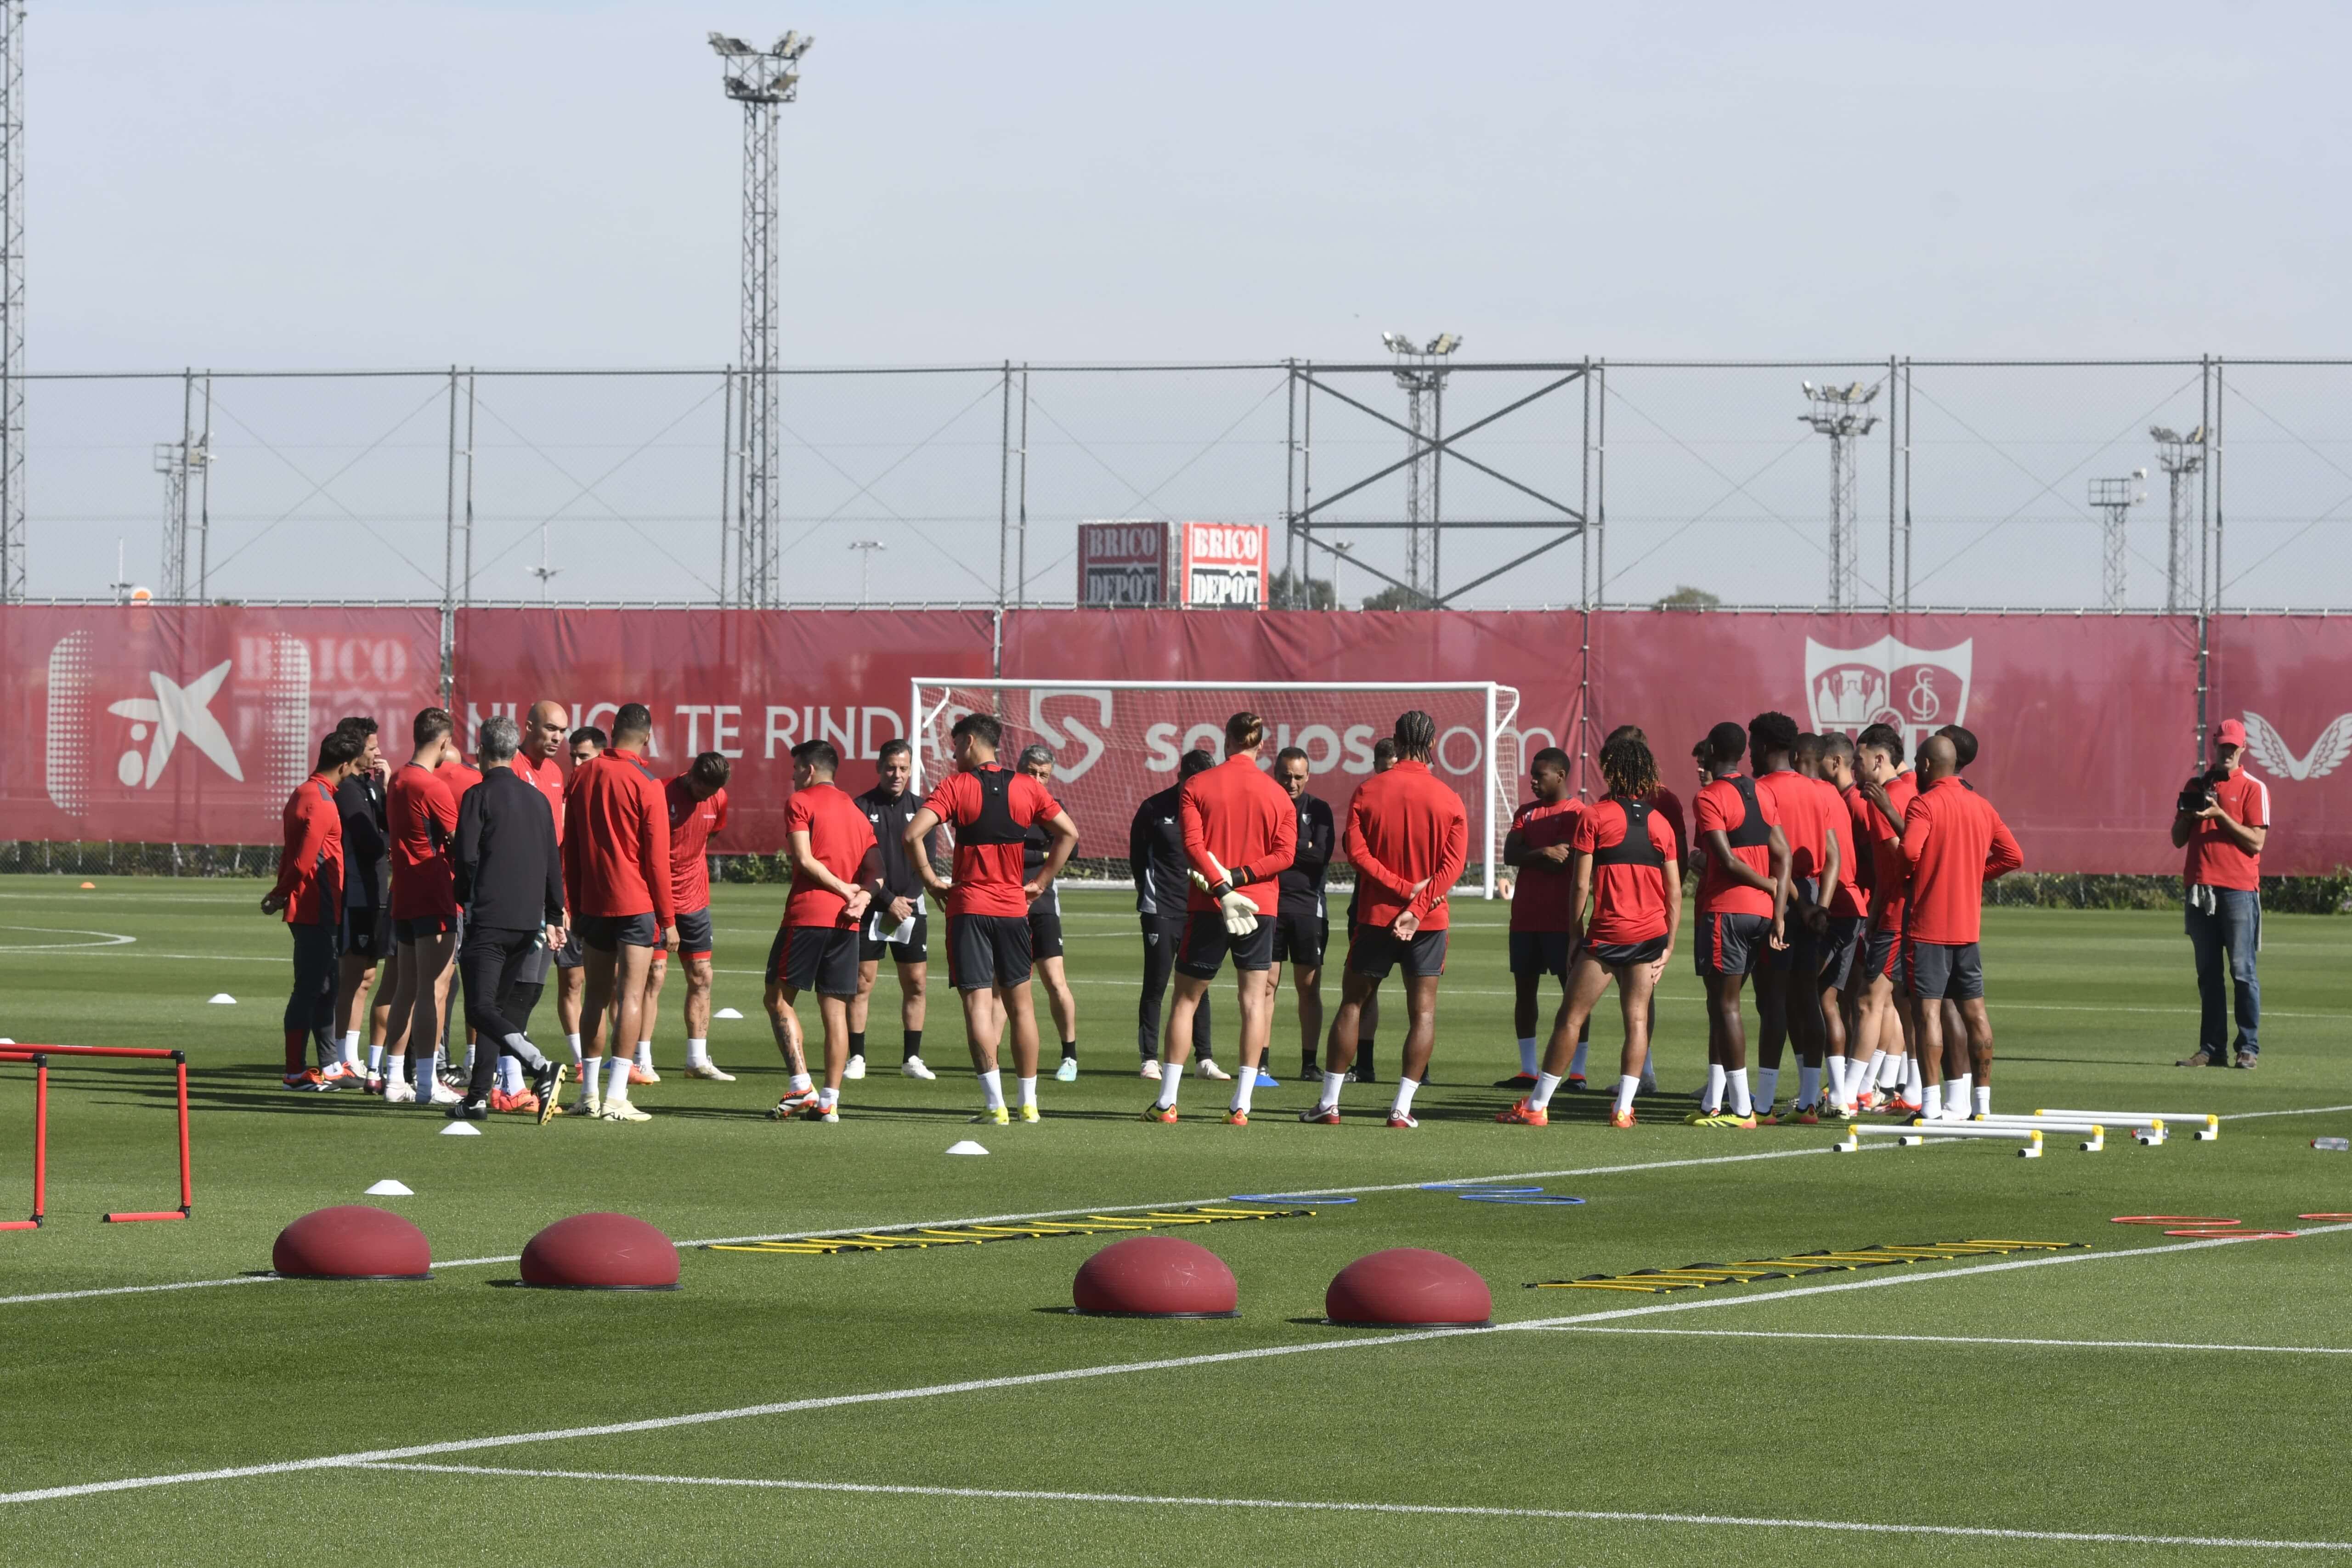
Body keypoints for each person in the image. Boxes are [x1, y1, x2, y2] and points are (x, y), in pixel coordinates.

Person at [905, 713, 1079, 1126]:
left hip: (969, 909)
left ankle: (994, 1105)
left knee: (978, 1007)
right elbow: (1068, 833)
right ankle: (1029, 1104)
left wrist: (931, 880)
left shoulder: (955, 785)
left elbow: (913, 834)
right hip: (1014, 909)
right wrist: (1040, 881)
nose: (951, 754)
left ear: (968, 742)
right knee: (1022, 1007)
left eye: (954, 746)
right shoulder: (1026, 786)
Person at [1499, 734, 1679, 1129]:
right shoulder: (1660, 823)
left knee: (1570, 1017)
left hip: (1608, 934)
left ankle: (1537, 1105)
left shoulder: (1594, 816)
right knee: (1636, 1021)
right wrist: (1669, 945)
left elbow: (1581, 885)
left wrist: (1575, 933)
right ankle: (1623, 1110)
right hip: (1649, 936)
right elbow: (1675, 892)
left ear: (1611, 771)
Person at [1305, 711, 1467, 1129]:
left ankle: (1330, 1103)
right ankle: (1400, 1109)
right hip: (1429, 921)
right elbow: (1453, 867)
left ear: (1395, 741)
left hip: (1376, 915)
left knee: (1352, 1004)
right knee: (1424, 1013)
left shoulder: (1368, 790)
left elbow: (1358, 856)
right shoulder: (1449, 798)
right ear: (1433, 744)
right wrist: (1418, 905)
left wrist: (1401, 892)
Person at [1146, 712, 1296, 1125]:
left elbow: (1193, 844)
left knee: (1185, 1000)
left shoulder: (1198, 784)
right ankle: (1241, 1105)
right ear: (1262, 745)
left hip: (1210, 905)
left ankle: (1166, 1102)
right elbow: (1285, 856)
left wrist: (1223, 885)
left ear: (1225, 739)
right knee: (1253, 1002)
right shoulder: (1278, 794)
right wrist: (1241, 879)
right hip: (1260, 907)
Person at [448, 714, 566, 1122]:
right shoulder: (538, 799)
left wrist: (464, 896)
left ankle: (539, 1065)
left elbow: (464, 856)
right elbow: (554, 861)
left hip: (490, 917)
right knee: (493, 1009)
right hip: (527, 922)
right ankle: (478, 1096)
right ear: (516, 752)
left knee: (480, 1010)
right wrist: (553, 913)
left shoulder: (477, 796)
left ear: (480, 752)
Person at [1901, 734, 2024, 1119]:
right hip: (1967, 930)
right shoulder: (1982, 805)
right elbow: (2014, 856)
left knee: (1928, 1016)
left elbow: (1908, 852)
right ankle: (1982, 1105)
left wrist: (1916, 873)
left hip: (1929, 929)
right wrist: (1976, 874)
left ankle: (1932, 1105)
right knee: (1977, 1015)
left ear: (1924, 765)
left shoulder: (1923, 804)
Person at [561, 703, 673, 1123]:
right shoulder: (648, 781)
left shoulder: (582, 775)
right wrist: (669, 919)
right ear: (647, 737)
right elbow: (657, 861)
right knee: (630, 996)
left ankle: (588, 1094)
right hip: (636, 903)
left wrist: (572, 901)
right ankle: (616, 1097)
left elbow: (569, 846)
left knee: (594, 994)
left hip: (592, 902)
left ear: (612, 731)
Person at [767, 740, 878, 1123]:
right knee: (836, 1012)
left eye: (797, 768)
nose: (793, 775)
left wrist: (845, 889)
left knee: (777, 999)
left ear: (810, 770)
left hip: (808, 915)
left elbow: (803, 858)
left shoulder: (800, 802)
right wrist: (862, 896)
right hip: (847, 923)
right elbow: (876, 870)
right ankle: (829, 1101)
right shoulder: (858, 812)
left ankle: (800, 1085)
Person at [1687, 719, 1791, 1129]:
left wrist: (1765, 884)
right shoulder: (1763, 790)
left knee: (1726, 1005)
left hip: (1727, 910)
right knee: (1722, 1005)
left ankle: (1742, 1109)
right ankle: (1714, 1101)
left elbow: (1727, 861)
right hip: (1762, 914)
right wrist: (1778, 908)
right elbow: (1783, 854)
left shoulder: (1709, 796)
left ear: (1712, 749)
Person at [263, 727, 366, 1091]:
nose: (357, 772)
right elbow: (307, 860)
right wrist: (278, 894)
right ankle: (294, 1072)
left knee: (327, 986)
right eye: (355, 766)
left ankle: (329, 1065)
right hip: (314, 907)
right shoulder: (321, 801)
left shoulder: (305, 792)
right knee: (310, 987)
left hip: (317, 907)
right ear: (344, 764)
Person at [1747, 712, 1837, 1122]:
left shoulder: (1760, 790)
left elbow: (1778, 860)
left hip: (1781, 896)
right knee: (1806, 998)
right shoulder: (1819, 790)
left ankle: (1764, 1103)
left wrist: (1798, 904)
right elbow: (1831, 854)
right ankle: (1807, 1103)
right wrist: (1820, 905)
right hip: (1814, 893)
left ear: (1765, 747)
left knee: (1774, 1001)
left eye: (1753, 744)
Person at [2172, 717, 2270, 1070]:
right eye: (2222, 745)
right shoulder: (2196, 784)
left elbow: (2256, 841)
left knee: (2243, 971)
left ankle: (2248, 1046)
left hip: (2239, 891)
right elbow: (2177, 838)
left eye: (2233, 746)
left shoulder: (2253, 788)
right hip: (2200, 889)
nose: (2227, 751)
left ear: (2243, 748)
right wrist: (2190, 814)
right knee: (2208, 973)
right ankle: (2212, 1049)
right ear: (2214, 745)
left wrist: (2220, 815)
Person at [380, 708, 465, 1106]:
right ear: (445, 743)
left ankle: (395, 1079)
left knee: (406, 989)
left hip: (405, 895)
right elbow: (459, 843)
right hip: (433, 894)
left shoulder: (397, 778)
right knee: (433, 992)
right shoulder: (432, 786)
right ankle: (429, 1085)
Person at [488, 700, 569, 1107]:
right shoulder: (510, 768)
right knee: (506, 990)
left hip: (542, 900)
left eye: (563, 731)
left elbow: (555, 847)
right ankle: (504, 1080)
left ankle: (509, 1080)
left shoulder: (555, 774)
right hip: (513, 901)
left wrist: (558, 904)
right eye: (551, 728)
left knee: (530, 992)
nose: (557, 737)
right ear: (529, 726)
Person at [635, 751, 732, 1085]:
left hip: (695, 902)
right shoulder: (660, 793)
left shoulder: (719, 798)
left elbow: (710, 835)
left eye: (711, 793)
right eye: (702, 789)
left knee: (702, 976)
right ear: (690, 774)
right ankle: (642, 1059)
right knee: (654, 977)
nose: (706, 797)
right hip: (656, 899)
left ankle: (696, 1059)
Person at [1126, 747, 1221, 1082]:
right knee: (1157, 981)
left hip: (1201, 907)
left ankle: (1204, 1059)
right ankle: (1149, 1058)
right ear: (1180, 777)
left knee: (1200, 985)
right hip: (1161, 909)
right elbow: (1138, 857)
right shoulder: (1154, 808)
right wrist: (1150, 893)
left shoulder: (1213, 806)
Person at [852, 738, 939, 1082]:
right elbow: (858, 863)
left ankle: (912, 1058)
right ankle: (857, 1056)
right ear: (878, 767)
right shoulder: (860, 807)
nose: (897, 774)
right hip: (872, 905)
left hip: (911, 908)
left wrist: (907, 901)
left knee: (916, 984)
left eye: (903, 768)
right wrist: (888, 900)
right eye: (891, 767)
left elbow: (927, 864)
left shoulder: (924, 809)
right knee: (862, 983)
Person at [1847, 724, 1920, 1115]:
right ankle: (1913, 1090)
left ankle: (1853, 1092)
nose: (1857, 768)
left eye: (1860, 760)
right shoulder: (1910, 790)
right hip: (1911, 912)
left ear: (1879, 759)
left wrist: (1876, 913)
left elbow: (1899, 861)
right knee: (1905, 1005)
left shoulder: (1886, 799)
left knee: (1868, 1001)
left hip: (1896, 913)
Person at [1499, 747, 1581, 1092]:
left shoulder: (1579, 813)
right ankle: (1528, 1069)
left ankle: (1578, 1073)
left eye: (1540, 775)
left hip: (1562, 921)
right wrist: (1543, 852)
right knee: (1525, 992)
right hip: (1526, 919)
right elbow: (1510, 853)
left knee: (1574, 996)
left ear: (1560, 776)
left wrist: (1537, 855)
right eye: (1532, 774)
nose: (1532, 780)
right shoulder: (1526, 813)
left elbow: (1569, 858)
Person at [1807, 732, 1871, 1120]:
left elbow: (1832, 858)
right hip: (1852, 905)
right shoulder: (1838, 798)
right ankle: (1840, 1094)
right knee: (1831, 1001)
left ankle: (1811, 1093)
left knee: (1808, 998)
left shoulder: (1828, 796)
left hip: (1834, 905)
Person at [328, 716, 391, 1089]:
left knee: (366, 977)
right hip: (356, 894)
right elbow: (370, 842)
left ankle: (349, 1055)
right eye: (372, 747)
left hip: (373, 893)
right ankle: (340, 1058)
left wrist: (384, 792)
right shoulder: (348, 789)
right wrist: (394, 838)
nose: (378, 752)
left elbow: (381, 826)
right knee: (351, 977)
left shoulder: (368, 787)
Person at [1016, 745, 1083, 1081]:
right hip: (1006, 905)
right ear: (1018, 769)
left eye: (1044, 774)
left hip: (1042, 905)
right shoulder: (1005, 803)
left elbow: (1071, 849)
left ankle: (1069, 1055)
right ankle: (995, 1059)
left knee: (1055, 982)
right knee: (1006, 986)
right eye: (1031, 771)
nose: (1037, 779)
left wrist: (1036, 858)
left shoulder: (1053, 808)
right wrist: (1042, 852)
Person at [1271, 746, 1334, 1084]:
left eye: (1298, 777)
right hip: (1270, 906)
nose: (1291, 783)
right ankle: (1260, 1062)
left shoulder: (1319, 810)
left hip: (1310, 909)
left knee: (1308, 988)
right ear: (1275, 773)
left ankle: (1309, 1064)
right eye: (1286, 776)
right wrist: (1301, 847)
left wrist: (1283, 846)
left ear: (1308, 776)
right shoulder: (1265, 803)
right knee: (1266, 986)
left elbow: (1322, 855)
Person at [1339, 736, 1399, 1083]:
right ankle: (1365, 1065)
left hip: (1410, 905)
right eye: (1384, 768)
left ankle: (1421, 1071)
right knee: (1365, 989)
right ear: (1375, 766)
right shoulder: (1365, 797)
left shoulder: (1413, 799)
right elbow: (1353, 850)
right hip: (1368, 904)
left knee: (1419, 992)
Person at [551, 725, 605, 1070]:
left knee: (609, 985)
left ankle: (623, 1057)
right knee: (573, 981)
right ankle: (579, 1058)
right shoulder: (564, 790)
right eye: (573, 755)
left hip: (603, 902)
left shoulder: (609, 789)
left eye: (583, 755)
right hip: (567, 901)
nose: (576, 761)